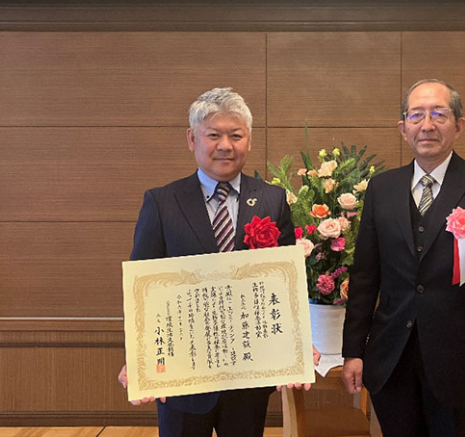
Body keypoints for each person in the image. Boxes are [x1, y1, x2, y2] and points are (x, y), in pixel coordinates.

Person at [117, 87, 317, 437]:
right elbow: (143, 290)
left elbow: (286, 284)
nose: (225, 145)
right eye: (213, 135)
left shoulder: (271, 200)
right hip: (183, 374)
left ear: (248, 141)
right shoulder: (162, 202)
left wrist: (298, 343)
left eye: (235, 135)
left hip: (249, 372)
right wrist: (139, 357)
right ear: (191, 139)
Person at [341, 79, 465, 437]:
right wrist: (353, 351)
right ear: (403, 128)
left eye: (439, 114)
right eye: (416, 115)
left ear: (459, 125)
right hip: (392, 364)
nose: (427, 125)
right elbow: (364, 277)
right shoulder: (382, 189)